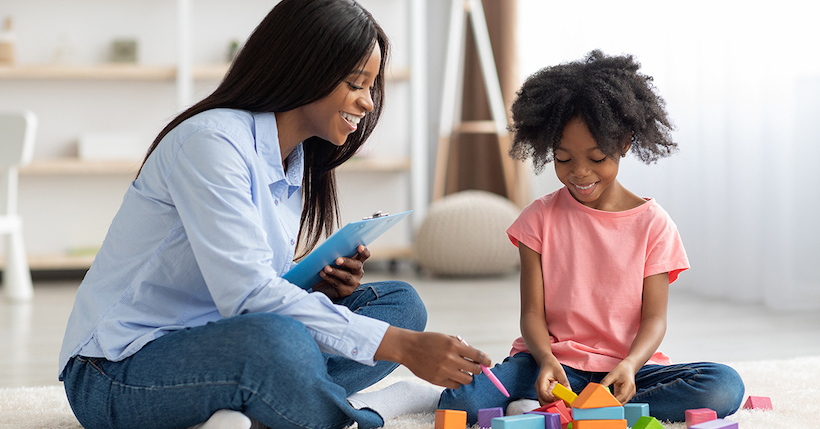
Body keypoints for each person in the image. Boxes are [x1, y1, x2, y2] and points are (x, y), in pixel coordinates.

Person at [58, 1, 491, 428]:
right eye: (357, 84)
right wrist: (404, 348)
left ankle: (259, 408)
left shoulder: (294, 160)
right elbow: (247, 297)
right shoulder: (210, 143)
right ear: (307, 68)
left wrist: (317, 286)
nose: (368, 104)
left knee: (400, 304)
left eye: (371, 88)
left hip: (226, 342)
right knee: (279, 343)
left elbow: (258, 287)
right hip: (116, 371)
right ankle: (374, 408)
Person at [438, 50, 745, 424]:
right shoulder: (539, 218)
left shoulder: (655, 225)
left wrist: (631, 364)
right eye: (563, 159)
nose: (579, 173)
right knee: (459, 404)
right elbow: (532, 314)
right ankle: (590, 409)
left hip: (625, 370)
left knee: (723, 386)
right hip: (550, 364)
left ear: (625, 143)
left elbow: (654, 320)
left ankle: (573, 408)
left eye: (597, 158)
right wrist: (547, 359)